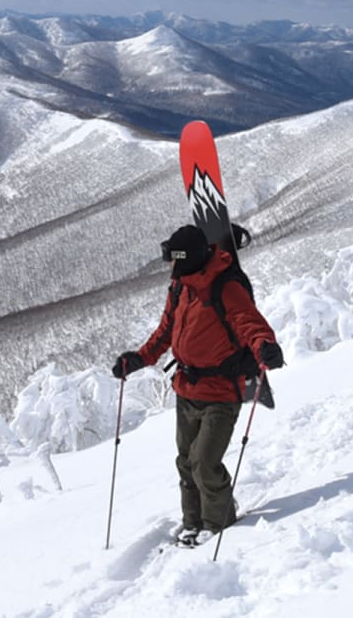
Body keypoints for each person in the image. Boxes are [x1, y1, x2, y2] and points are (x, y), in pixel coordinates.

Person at [112, 224, 284, 546]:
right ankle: (192, 522)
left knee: (204, 462)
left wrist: (265, 346)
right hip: (187, 388)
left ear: (191, 258)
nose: (173, 269)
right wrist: (139, 358)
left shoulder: (225, 286)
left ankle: (219, 525)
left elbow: (250, 323)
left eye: (176, 261)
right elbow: (166, 330)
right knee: (186, 461)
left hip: (221, 391)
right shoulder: (180, 286)